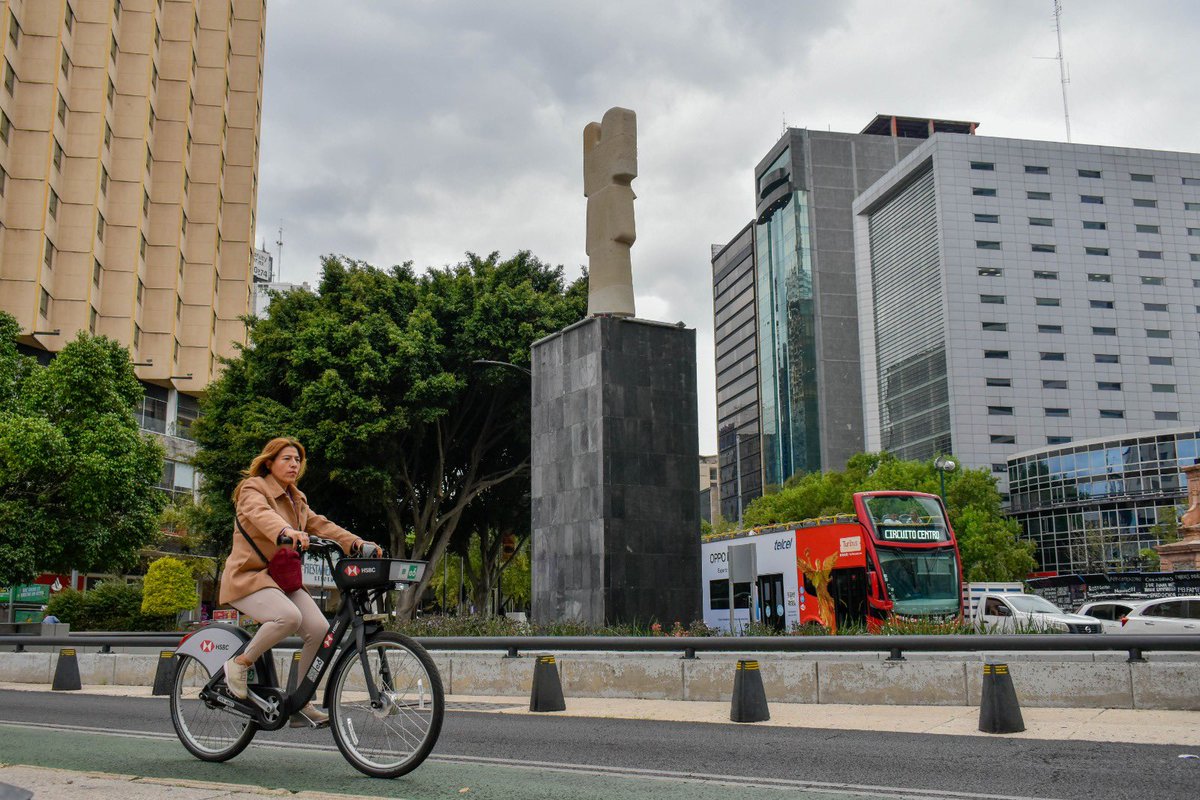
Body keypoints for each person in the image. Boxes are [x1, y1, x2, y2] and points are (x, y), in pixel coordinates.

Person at [218, 437, 378, 728]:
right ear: (269, 462)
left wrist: (356, 543)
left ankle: (301, 704)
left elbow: (321, 524)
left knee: (319, 629)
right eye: (286, 459)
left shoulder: (297, 499)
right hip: (248, 577)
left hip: (281, 580)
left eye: (297, 460)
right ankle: (239, 664)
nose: (294, 465)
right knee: (289, 617)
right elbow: (259, 513)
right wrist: (285, 530)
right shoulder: (254, 488)